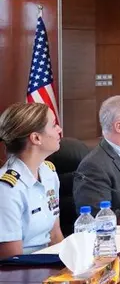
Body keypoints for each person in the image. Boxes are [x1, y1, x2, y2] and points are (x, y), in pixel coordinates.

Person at [0, 103, 64, 257]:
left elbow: (55, 235)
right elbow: (11, 259)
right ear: (36, 138)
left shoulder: (49, 173)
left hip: (49, 266)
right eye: (54, 125)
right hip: (22, 274)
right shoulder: (7, 188)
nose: (59, 130)